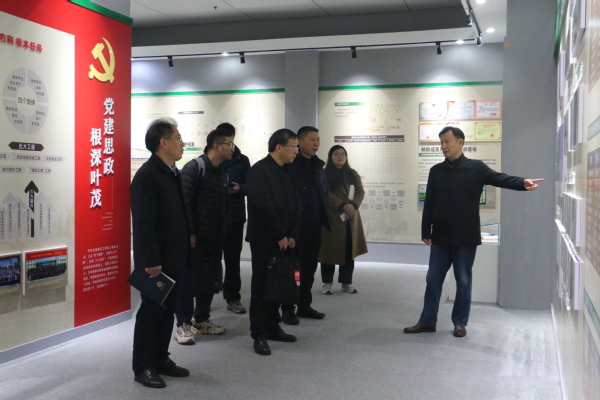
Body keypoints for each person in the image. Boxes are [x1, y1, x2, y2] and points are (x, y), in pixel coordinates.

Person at [404, 126, 543, 338]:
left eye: (447, 141)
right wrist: (426, 230)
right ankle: (427, 321)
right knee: (432, 280)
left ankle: (460, 323)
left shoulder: (476, 168)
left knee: (463, 281)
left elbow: (499, 178)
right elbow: (429, 202)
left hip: (465, 236)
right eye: (441, 142)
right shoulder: (436, 171)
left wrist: (522, 183)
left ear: (460, 142)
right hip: (440, 236)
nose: (443, 146)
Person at [130, 118, 190, 389]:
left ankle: (160, 358)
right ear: (164, 142)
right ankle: (143, 367)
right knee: (151, 312)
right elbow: (143, 223)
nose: (183, 143)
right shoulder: (147, 176)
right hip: (156, 261)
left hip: (173, 257)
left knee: (168, 310)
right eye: (178, 138)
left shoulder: (171, 173)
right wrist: (150, 260)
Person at [173, 128, 237, 345]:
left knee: (208, 280)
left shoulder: (222, 171)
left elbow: (225, 205)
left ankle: (201, 320)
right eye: (229, 144)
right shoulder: (195, 168)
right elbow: (185, 203)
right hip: (196, 239)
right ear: (216, 146)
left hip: (215, 237)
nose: (233, 148)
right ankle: (183, 324)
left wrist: (226, 230)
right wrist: (190, 232)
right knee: (187, 280)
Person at [246, 129, 301, 356]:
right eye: (293, 146)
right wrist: (279, 235)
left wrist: (292, 234)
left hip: (286, 240)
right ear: (279, 147)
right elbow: (263, 206)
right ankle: (259, 333)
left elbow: (296, 205)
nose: (296, 151)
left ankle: (273, 326)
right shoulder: (259, 171)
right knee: (261, 286)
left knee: (279, 283)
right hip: (265, 239)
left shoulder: (287, 171)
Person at [280, 126, 331, 325]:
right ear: (300, 142)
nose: (316, 143)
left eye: (318, 139)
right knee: (294, 269)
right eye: (312, 139)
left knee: (309, 268)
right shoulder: (290, 165)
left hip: (314, 225)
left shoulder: (318, 165)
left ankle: (304, 305)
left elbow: (323, 192)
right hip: (296, 227)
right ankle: (288, 309)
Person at [319, 145, 368, 294]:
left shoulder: (352, 173)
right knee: (329, 251)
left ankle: (346, 283)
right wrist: (342, 205)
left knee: (349, 251)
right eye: (336, 154)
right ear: (330, 157)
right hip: (333, 216)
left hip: (350, 217)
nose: (340, 157)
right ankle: (327, 283)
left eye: (343, 154)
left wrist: (353, 205)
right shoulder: (324, 174)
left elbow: (360, 191)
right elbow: (324, 193)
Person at [217, 122, 251, 314]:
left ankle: (233, 298)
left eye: (231, 140)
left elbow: (251, 185)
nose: (229, 144)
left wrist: (239, 189)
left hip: (235, 216)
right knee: (210, 260)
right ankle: (206, 297)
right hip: (212, 217)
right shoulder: (207, 160)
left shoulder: (241, 160)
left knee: (232, 260)